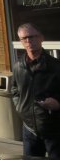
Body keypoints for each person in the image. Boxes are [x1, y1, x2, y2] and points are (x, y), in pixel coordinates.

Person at [11, 23, 60, 158]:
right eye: (24, 38)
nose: (28, 41)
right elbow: (14, 90)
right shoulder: (17, 67)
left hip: (54, 129)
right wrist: (20, 107)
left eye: (32, 36)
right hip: (29, 129)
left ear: (41, 38)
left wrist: (58, 103)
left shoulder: (56, 66)